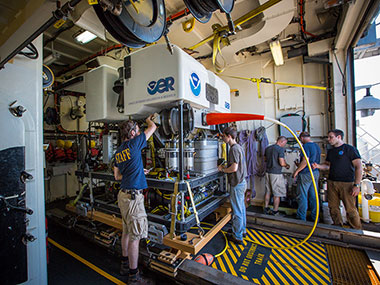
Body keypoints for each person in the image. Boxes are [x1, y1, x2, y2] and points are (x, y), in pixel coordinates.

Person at [113, 115, 156, 282]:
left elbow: (117, 176)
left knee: (126, 232)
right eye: (137, 131)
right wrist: (148, 119)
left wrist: (138, 171)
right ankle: (134, 276)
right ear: (132, 133)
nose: (139, 134)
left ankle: (124, 265)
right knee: (135, 238)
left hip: (123, 196)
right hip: (133, 198)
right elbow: (152, 127)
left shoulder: (118, 151)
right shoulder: (135, 143)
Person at [312, 129, 362, 229]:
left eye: (331, 137)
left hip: (347, 183)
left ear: (339, 137)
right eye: (328, 137)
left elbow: (359, 167)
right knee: (333, 207)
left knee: (350, 209)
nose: (328, 139)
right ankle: (337, 226)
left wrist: (357, 185)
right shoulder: (331, 151)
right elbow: (328, 166)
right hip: (332, 182)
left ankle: (357, 230)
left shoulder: (349, 149)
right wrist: (318, 166)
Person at [218, 127, 248, 245]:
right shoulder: (239, 147)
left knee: (237, 210)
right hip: (242, 182)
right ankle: (241, 230)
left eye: (224, 136)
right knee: (241, 208)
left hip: (237, 183)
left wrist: (223, 169)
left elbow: (234, 168)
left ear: (229, 136)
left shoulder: (233, 149)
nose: (223, 138)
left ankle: (237, 236)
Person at [293, 132, 321, 221]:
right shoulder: (316, 146)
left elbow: (305, 161)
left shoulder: (305, 146)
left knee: (303, 195)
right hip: (315, 172)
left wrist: (297, 171)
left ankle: (301, 217)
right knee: (314, 195)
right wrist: (299, 165)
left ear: (301, 138)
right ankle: (315, 216)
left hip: (306, 173)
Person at [264, 136, 290, 216]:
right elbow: (282, 163)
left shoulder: (268, 148)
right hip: (276, 174)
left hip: (267, 172)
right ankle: (275, 211)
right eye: (284, 143)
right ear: (281, 141)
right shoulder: (280, 149)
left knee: (268, 191)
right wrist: (286, 165)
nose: (284, 145)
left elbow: (265, 159)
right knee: (277, 193)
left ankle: (266, 208)